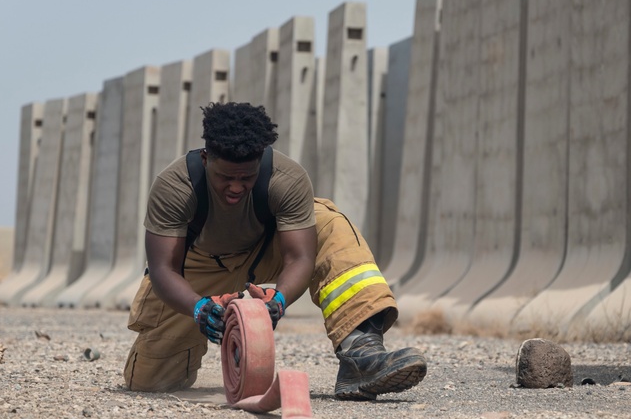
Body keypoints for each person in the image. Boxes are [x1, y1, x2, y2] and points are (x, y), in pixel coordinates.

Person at [123, 102, 427, 400]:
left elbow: (300, 257)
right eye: (225, 177)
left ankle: (362, 353)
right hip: (199, 266)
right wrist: (199, 308)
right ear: (206, 159)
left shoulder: (286, 178)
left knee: (328, 223)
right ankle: (178, 362)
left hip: (265, 251)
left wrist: (279, 300)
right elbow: (164, 268)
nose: (236, 188)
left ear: (260, 161)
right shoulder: (175, 186)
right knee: (151, 382)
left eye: (246, 177)